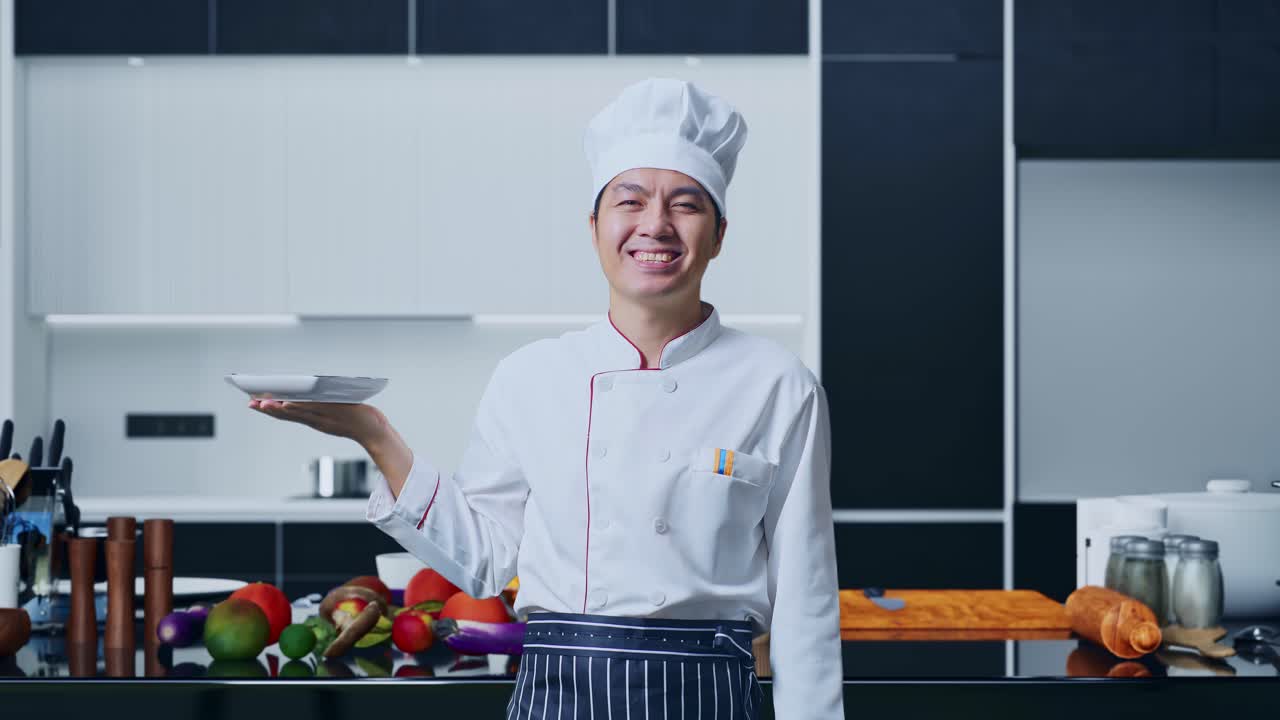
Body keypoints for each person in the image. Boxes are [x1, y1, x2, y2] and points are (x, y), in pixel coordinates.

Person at [250, 77, 843, 719]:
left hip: (707, 698)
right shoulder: (530, 378)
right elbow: (481, 563)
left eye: (686, 204)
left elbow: (806, 599)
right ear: (594, 227)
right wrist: (375, 435)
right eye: (630, 200)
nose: (655, 225)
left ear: (720, 234)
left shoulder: (777, 386)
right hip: (558, 698)